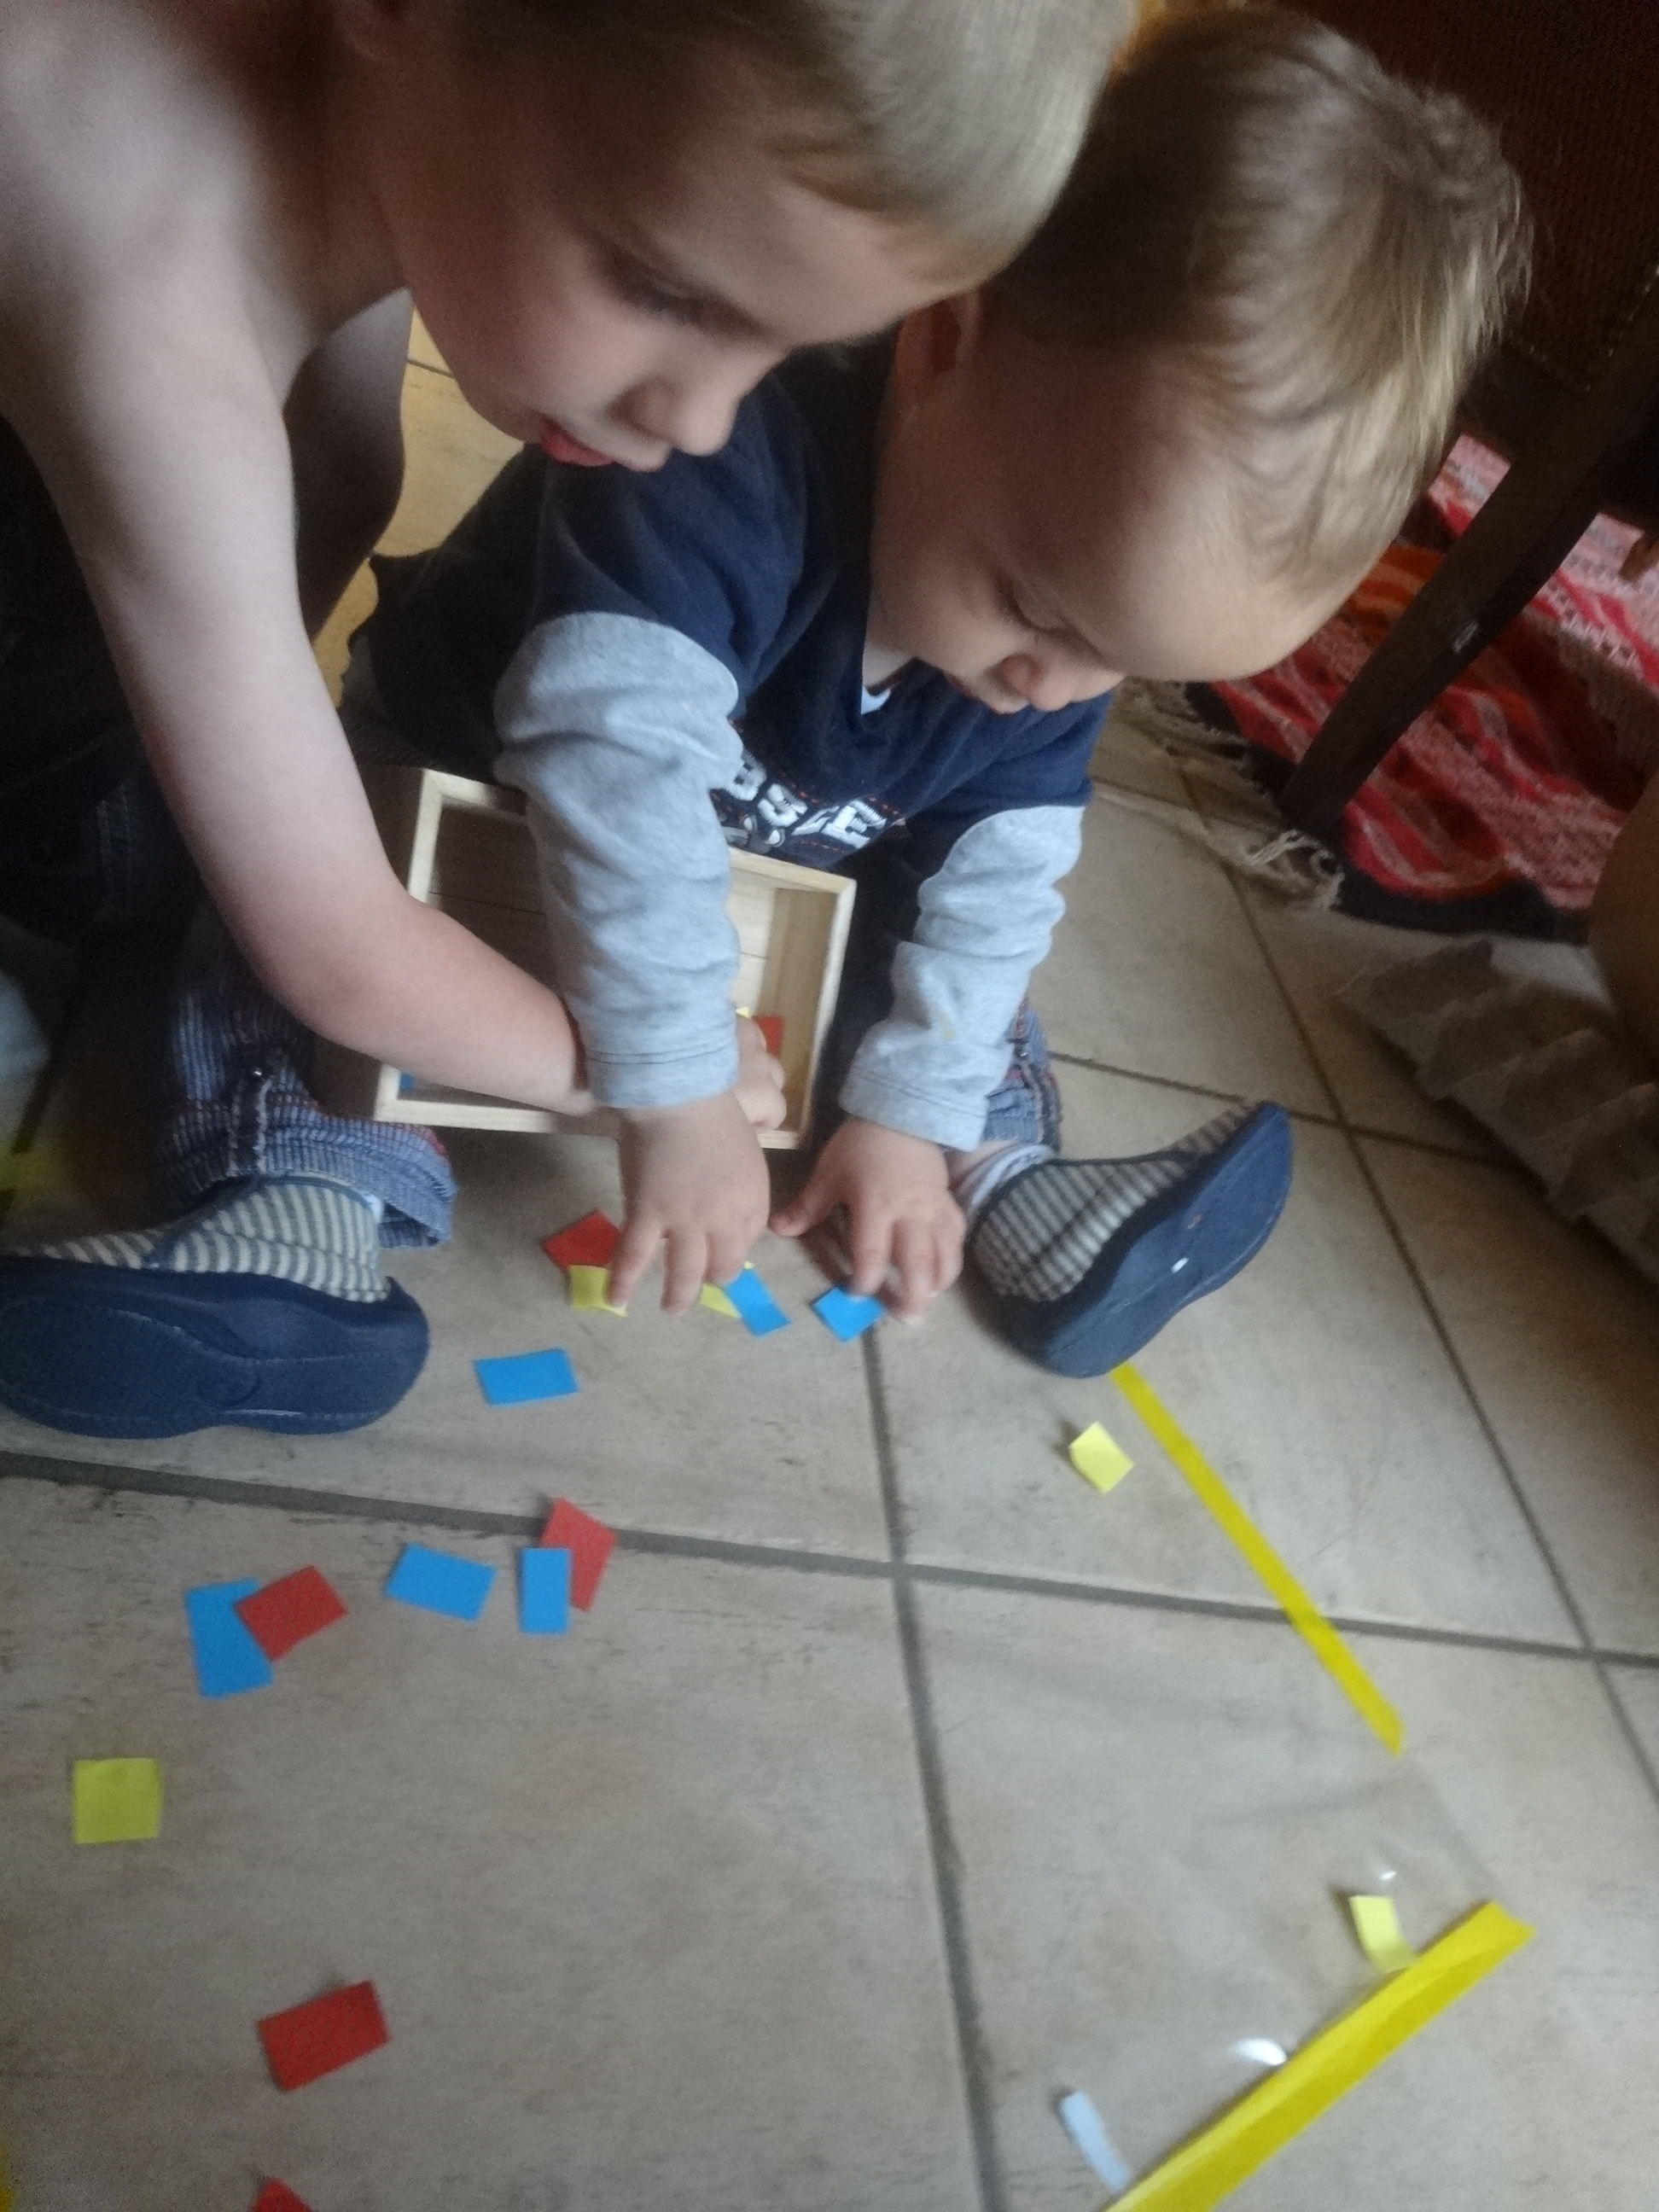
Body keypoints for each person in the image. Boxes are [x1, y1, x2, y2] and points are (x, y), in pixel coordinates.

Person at [346, 3, 1529, 1374]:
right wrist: (676, 1085)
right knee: (307, 923)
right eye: (1034, 605)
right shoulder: (726, 453)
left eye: (1122, 665)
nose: (1054, 689)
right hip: (471, 789)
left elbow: (994, 891)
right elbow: (613, 766)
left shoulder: (1055, 634)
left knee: (960, 996)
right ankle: (301, 1176)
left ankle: (999, 1179)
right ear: (942, 345)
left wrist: (906, 1115)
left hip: (755, 884)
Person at [0, 0, 1128, 1435]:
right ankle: (295, 1195)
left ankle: (997, 1149)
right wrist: (660, 1081)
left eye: (785, 352)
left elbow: (327, 487)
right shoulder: (146, 287)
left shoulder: (375, 139)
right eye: (663, 286)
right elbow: (334, 945)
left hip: (113, 632)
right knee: (238, 877)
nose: (697, 427)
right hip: (60, 756)